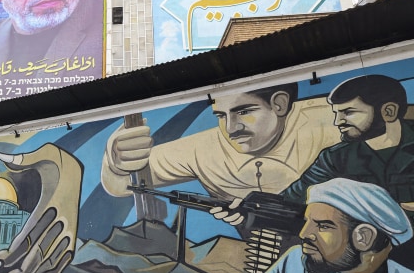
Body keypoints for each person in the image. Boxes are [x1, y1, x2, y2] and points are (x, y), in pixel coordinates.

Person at [101, 83, 339, 202]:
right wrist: (115, 161)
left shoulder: (332, 120)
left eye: (244, 112)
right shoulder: (203, 150)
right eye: (221, 116)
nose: (231, 128)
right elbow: (121, 184)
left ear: (279, 104)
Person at [245, 178, 414, 273]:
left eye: (323, 226)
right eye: (307, 222)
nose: (304, 234)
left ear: (364, 237)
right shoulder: (294, 261)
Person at [282, 75, 414, 210]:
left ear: (388, 111)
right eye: (337, 113)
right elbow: (291, 199)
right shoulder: (335, 157)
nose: (337, 122)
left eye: (348, 112)